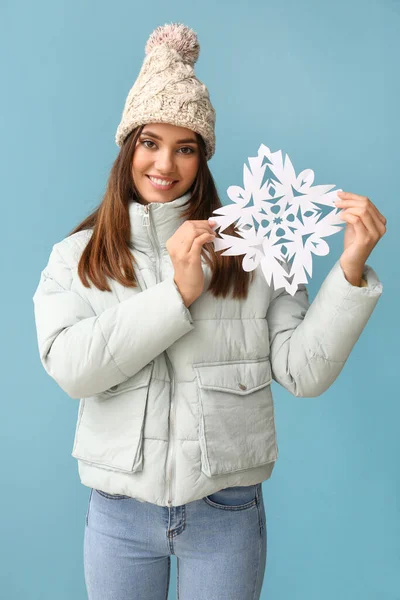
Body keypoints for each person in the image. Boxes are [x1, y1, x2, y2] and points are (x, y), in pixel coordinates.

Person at [32, 22, 386, 600]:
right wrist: (177, 294)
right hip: (120, 516)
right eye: (150, 142)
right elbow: (72, 368)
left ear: (203, 158)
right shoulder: (77, 257)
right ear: (128, 148)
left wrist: (348, 275)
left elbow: (304, 371)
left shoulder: (255, 250)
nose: (165, 164)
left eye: (186, 147)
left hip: (227, 513)